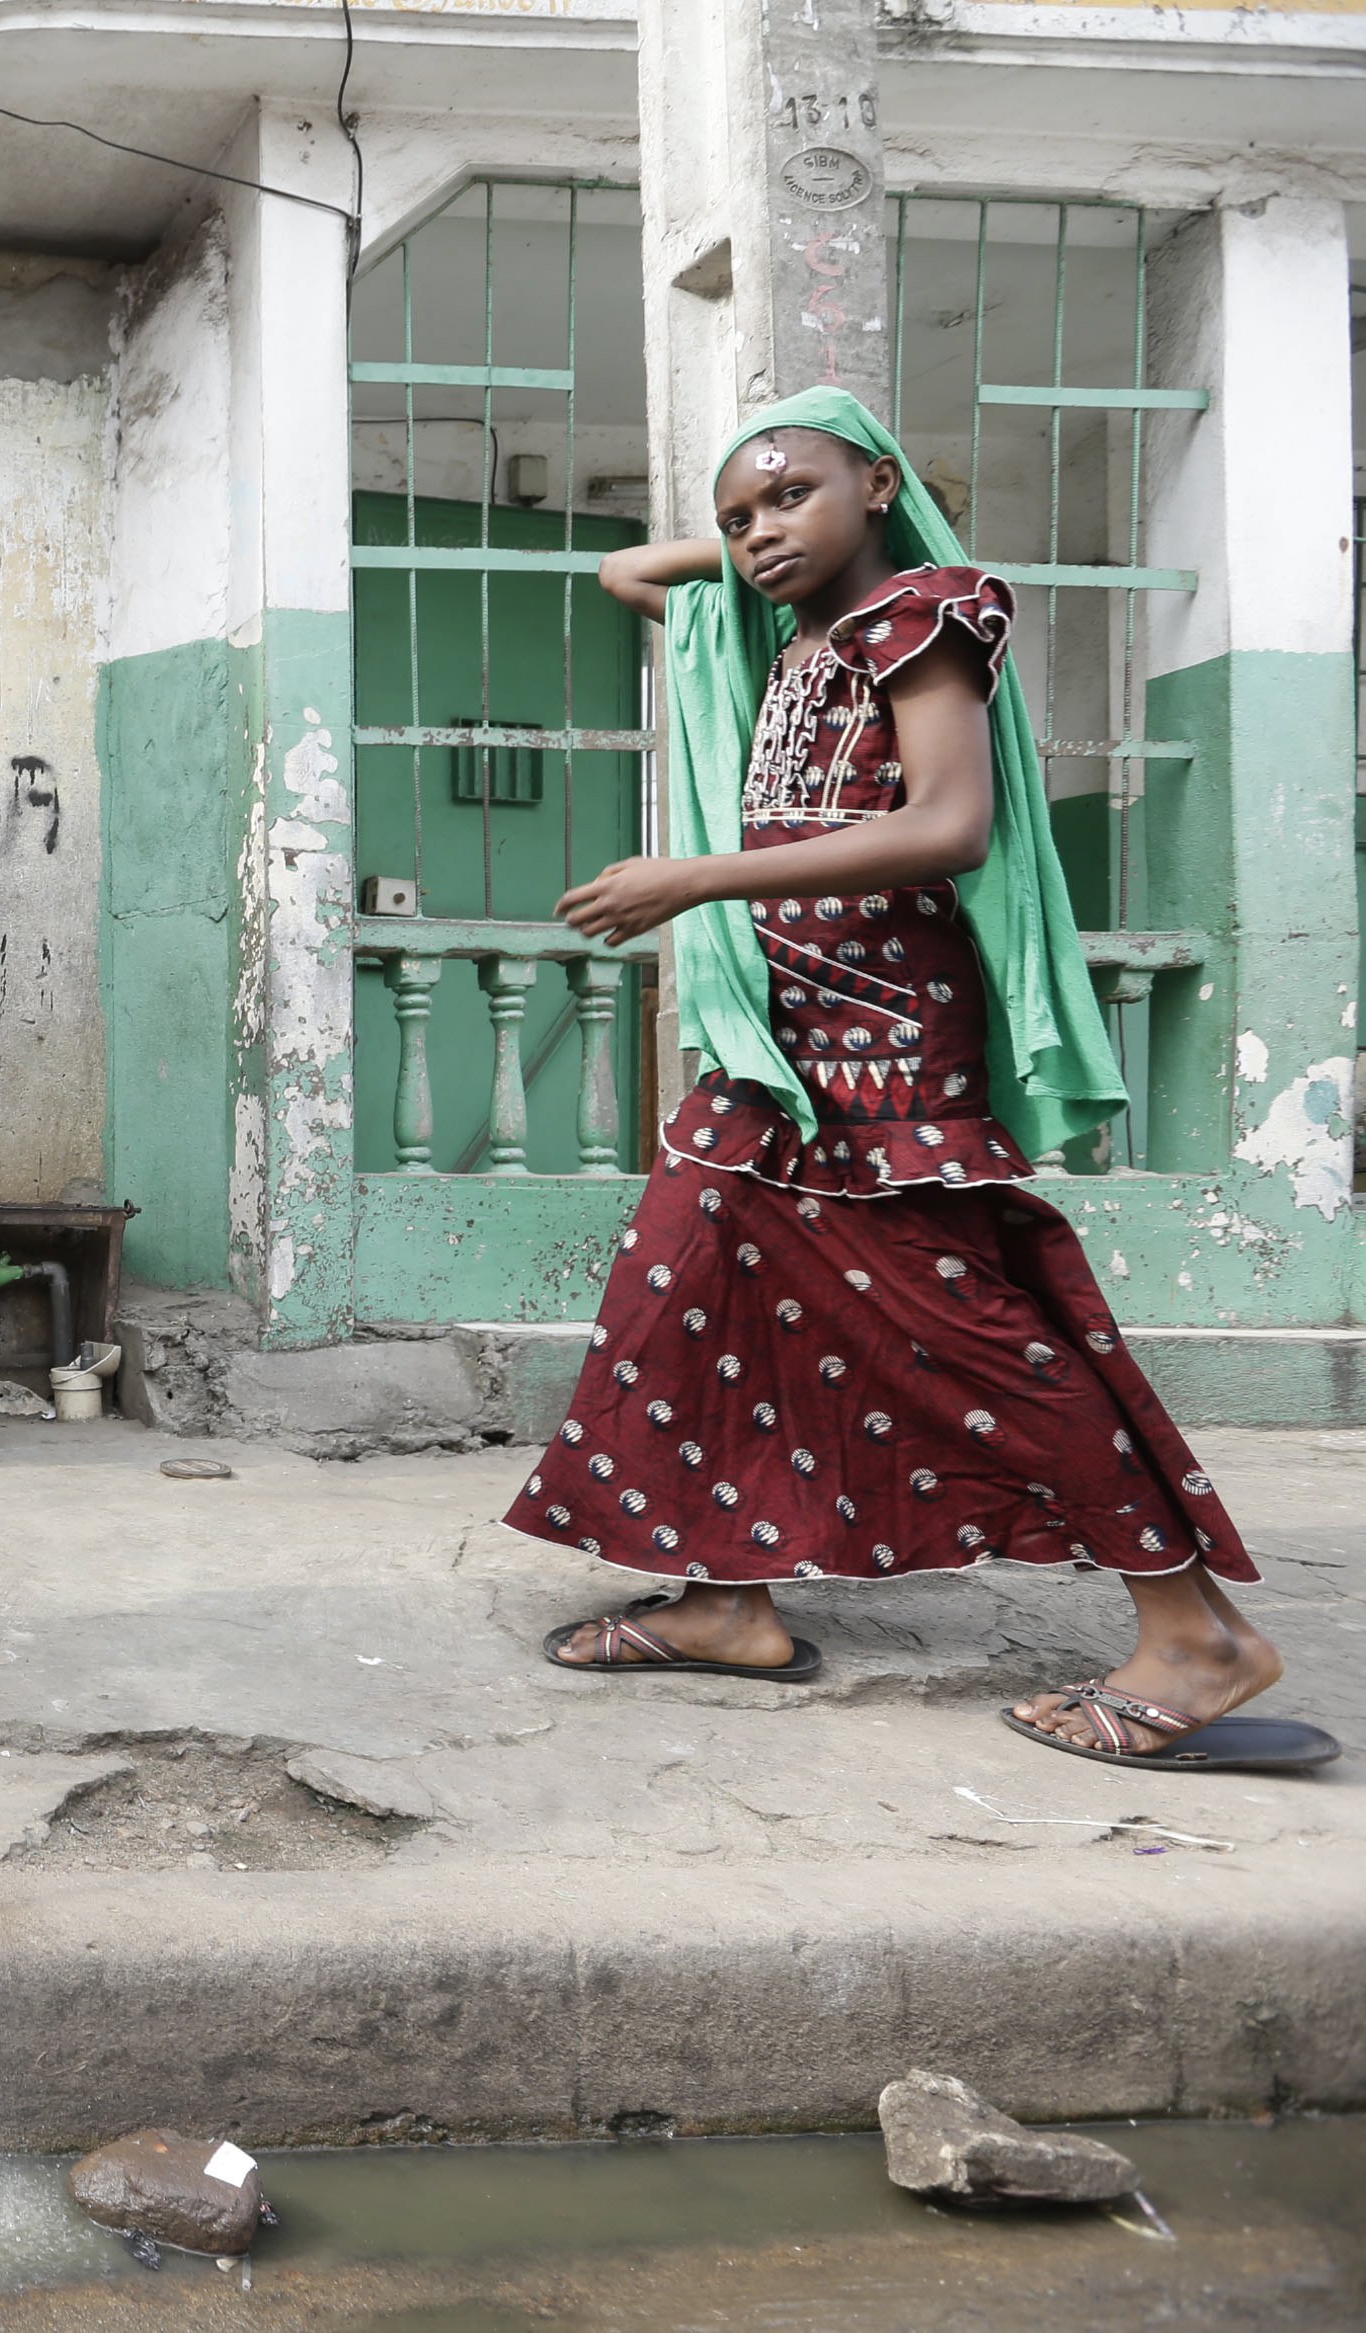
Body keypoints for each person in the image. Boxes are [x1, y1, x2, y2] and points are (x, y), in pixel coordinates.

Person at [511, 386, 1332, 1776]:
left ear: (881, 483)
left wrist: (697, 873)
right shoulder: (790, 629)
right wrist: (759, 555)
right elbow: (623, 569)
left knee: (976, 1340)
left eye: (792, 496)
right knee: (687, 1286)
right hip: (784, 1045)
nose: (761, 532)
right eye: (739, 515)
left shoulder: (925, 617)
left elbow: (947, 827)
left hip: (883, 1044)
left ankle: (1192, 1634)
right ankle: (724, 1598)